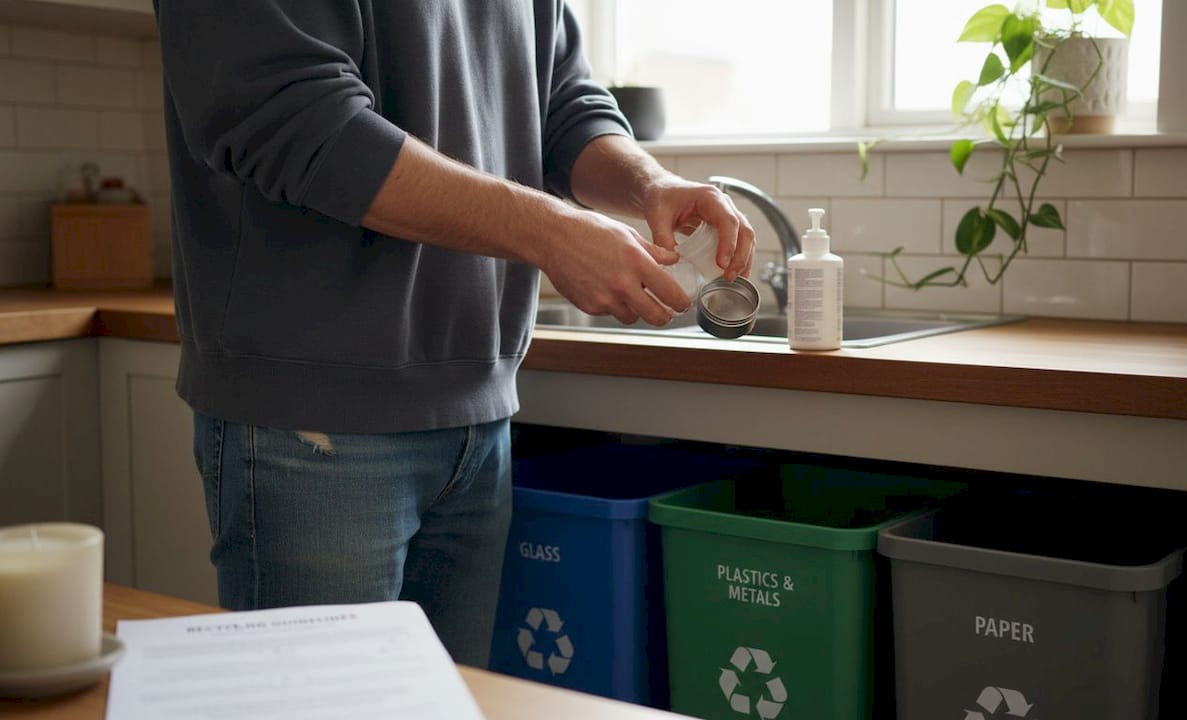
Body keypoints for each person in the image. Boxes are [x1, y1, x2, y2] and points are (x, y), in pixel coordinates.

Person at [151, 0, 756, 667]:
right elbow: (296, 119)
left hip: (480, 416)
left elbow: (562, 103)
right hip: (314, 417)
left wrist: (650, 185)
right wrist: (552, 231)